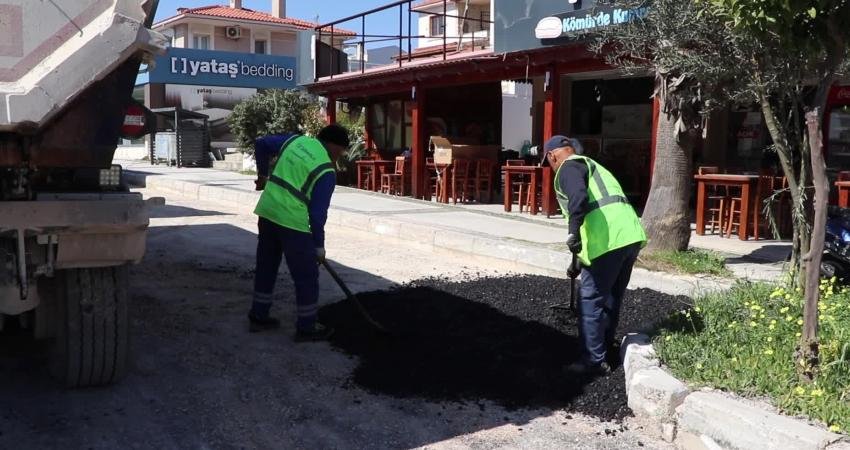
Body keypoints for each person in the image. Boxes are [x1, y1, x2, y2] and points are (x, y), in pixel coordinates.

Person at [542, 135, 647, 375]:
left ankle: (593, 360)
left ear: (553, 155)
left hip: (607, 241)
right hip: (629, 236)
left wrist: (572, 233)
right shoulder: (594, 166)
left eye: (548, 162)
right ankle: (605, 349)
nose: (550, 166)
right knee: (610, 298)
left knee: (589, 300)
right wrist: (577, 259)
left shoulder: (568, 167)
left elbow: (578, 199)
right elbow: (596, 208)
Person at [249, 125, 350, 341]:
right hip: (292, 223)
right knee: (306, 277)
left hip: (267, 213)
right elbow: (317, 214)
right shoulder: (325, 170)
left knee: (266, 266)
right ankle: (306, 328)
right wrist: (319, 246)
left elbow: (261, 144)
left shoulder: (295, 141)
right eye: (341, 151)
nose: (339, 156)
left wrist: (262, 175)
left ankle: (258, 315)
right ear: (333, 145)